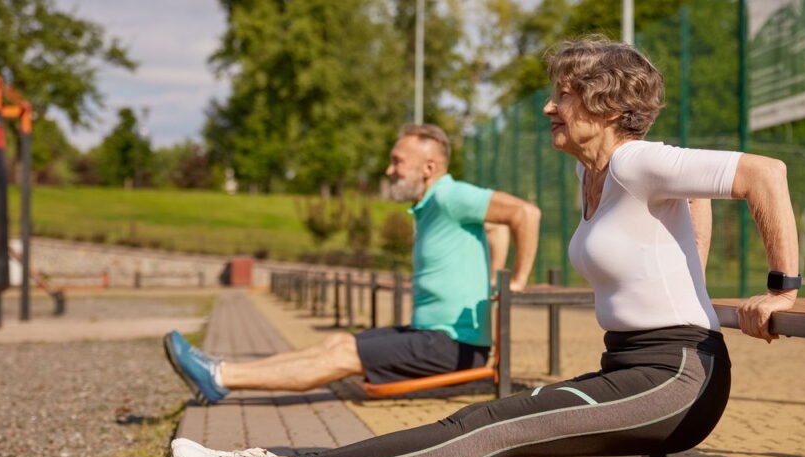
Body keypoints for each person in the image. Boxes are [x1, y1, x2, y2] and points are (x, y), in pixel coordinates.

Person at [170, 37, 801, 457]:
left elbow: (765, 174)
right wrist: (690, 272)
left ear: (607, 107)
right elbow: (698, 202)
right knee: (488, 421)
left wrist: (782, 288)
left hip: (674, 377)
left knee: (489, 426)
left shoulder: (635, 159)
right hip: (636, 367)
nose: (551, 107)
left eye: (565, 95)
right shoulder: (602, 176)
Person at [164, 123, 541, 404]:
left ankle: (220, 376)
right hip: (429, 334)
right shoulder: (431, 207)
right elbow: (495, 227)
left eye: (397, 162)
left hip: (450, 345)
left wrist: (515, 281)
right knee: (338, 342)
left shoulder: (450, 196)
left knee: (344, 357)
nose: (389, 170)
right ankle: (221, 369)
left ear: (428, 168)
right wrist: (493, 274)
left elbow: (524, 214)